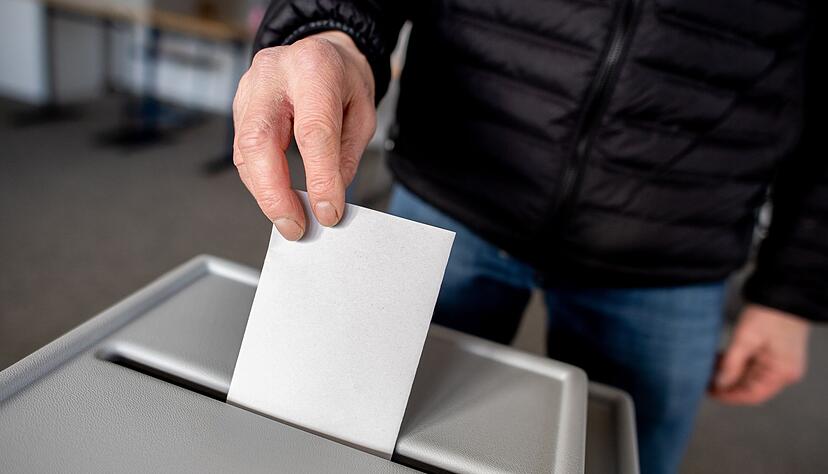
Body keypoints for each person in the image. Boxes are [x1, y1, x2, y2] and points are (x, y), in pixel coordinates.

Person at [231, 1, 823, 473]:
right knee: (359, 442)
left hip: (676, 247)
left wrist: (792, 291)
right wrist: (332, 32)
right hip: (452, 192)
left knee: (618, 459)